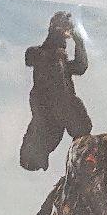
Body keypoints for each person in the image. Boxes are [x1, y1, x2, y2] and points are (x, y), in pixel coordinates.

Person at [19, 11, 92, 172]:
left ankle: (83, 160)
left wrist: (79, 42)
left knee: (81, 127)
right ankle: (34, 157)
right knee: (44, 135)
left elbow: (80, 66)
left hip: (63, 104)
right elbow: (31, 57)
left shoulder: (62, 62)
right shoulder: (41, 53)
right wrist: (55, 39)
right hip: (46, 105)